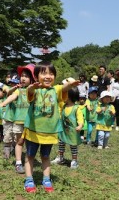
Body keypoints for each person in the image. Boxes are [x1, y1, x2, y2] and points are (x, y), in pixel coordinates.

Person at [22, 61, 79, 193]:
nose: (48, 76)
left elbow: (64, 88)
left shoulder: (56, 89)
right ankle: (29, 180)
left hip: (49, 133)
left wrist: (70, 85)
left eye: (51, 74)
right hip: (33, 131)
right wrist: (32, 87)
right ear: (36, 77)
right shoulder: (34, 90)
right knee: (30, 156)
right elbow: (29, 91)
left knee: (45, 157)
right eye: (44, 73)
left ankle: (46, 179)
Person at [0, 64, 35, 174]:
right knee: (19, 142)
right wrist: (4, 103)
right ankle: (18, 163)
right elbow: (11, 96)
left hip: (31, 123)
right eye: (22, 76)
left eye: (26, 76)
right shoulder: (19, 90)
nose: (23, 78)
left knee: (30, 144)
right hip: (19, 121)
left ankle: (29, 162)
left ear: (32, 79)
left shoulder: (34, 91)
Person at [52, 87, 84, 169]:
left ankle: (74, 161)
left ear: (69, 97)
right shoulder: (63, 105)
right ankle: (60, 157)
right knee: (61, 144)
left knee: (73, 146)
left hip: (73, 132)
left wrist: (80, 125)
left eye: (64, 95)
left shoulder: (76, 108)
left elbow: (80, 118)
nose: (62, 97)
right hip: (63, 131)